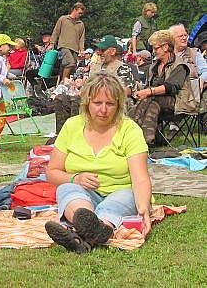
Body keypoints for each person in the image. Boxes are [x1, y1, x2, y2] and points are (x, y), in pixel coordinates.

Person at [45, 72, 151, 254]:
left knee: (126, 196)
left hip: (120, 192)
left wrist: (144, 210)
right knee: (65, 188)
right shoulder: (72, 126)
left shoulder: (130, 130)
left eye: (110, 104)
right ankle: (91, 227)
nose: (103, 110)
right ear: (87, 102)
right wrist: (75, 179)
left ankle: (83, 232)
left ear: (118, 105)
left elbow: (140, 178)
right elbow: (52, 172)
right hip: (84, 195)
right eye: (97, 103)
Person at [129, 30, 196, 145]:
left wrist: (150, 91)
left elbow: (172, 87)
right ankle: (143, 138)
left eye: (156, 48)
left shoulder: (180, 66)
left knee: (152, 98)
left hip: (179, 104)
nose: (153, 51)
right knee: (150, 102)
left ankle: (138, 136)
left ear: (165, 47)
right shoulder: (154, 67)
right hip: (156, 102)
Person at [51, 2, 86, 82]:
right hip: (64, 46)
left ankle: (61, 82)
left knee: (71, 68)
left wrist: (82, 49)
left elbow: (81, 38)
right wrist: (52, 43)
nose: (80, 15)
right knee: (70, 63)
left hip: (75, 49)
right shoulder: (63, 19)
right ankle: (64, 83)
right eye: (79, 13)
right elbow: (56, 31)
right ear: (74, 10)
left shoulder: (81, 24)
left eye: (81, 14)